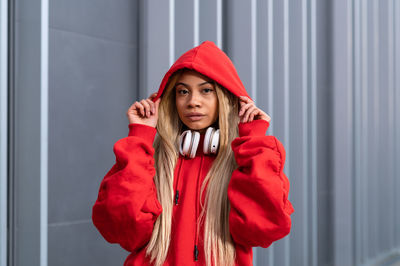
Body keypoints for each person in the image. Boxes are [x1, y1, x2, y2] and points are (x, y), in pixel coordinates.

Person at [91, 40, 294, 266]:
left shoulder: (246, 161)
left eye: (206, 90)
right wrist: (140, 136)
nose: (193, 102)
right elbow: (121, 230)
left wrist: (254, 140)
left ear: (225, 98)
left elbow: (263, 230)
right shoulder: (148, 158)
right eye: (183, 92)